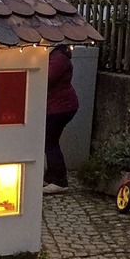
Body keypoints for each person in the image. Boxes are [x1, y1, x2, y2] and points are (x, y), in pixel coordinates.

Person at [43, 45, 79, 194]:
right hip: (60, 106)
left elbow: (45, 78)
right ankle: (51, 176)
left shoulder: (58, 58)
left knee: (49, 142)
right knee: (50, 141)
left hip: (59, 108)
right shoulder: (57, 55)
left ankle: (59, 180)